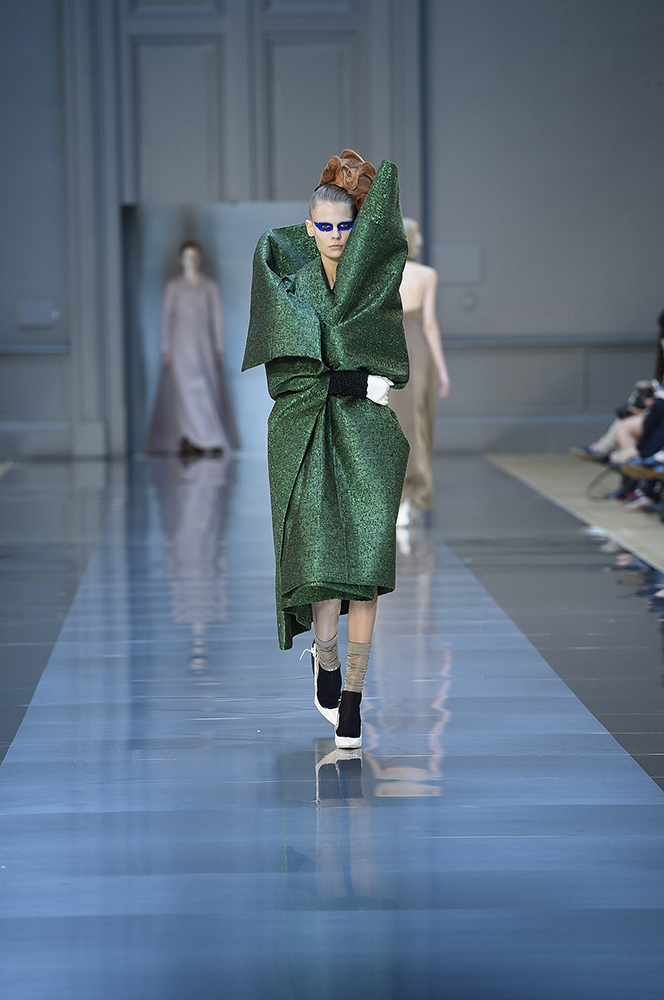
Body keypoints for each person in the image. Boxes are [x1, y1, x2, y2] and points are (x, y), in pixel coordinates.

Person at [242, 150, 409, 749]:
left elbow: (389, 358)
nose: (336, 235)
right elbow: (292, 374)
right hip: (309, 432)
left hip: (366, 434)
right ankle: (327, 660)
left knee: (366, 568)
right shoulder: (288, 284)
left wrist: (358, 383)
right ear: (308, 227)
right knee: (322, 564)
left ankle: (355, 698)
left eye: (345, 225)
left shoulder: (374, 282)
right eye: (325, 226)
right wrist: (352, 380)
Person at [146, 241, 240, 456]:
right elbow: (166, 318)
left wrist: (219, 346)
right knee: (185, 393)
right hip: (180, 347)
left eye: (195, 256)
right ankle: (191, 438)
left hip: (204, 346)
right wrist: (165, 347)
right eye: (188, 256)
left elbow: (217, 318)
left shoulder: (209, 286)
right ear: (181, 259)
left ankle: (208, 438)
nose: (191, 261)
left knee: (205, 389)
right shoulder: (174, 287)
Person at [390, 218, 450, 526]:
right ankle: (411, 494)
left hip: (388, 351)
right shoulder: (427, 275)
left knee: (395, 421)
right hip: (418, 352)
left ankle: (398, 496)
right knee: (418, 421)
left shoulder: (379, 274)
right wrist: (443, 369)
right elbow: (430, 326)